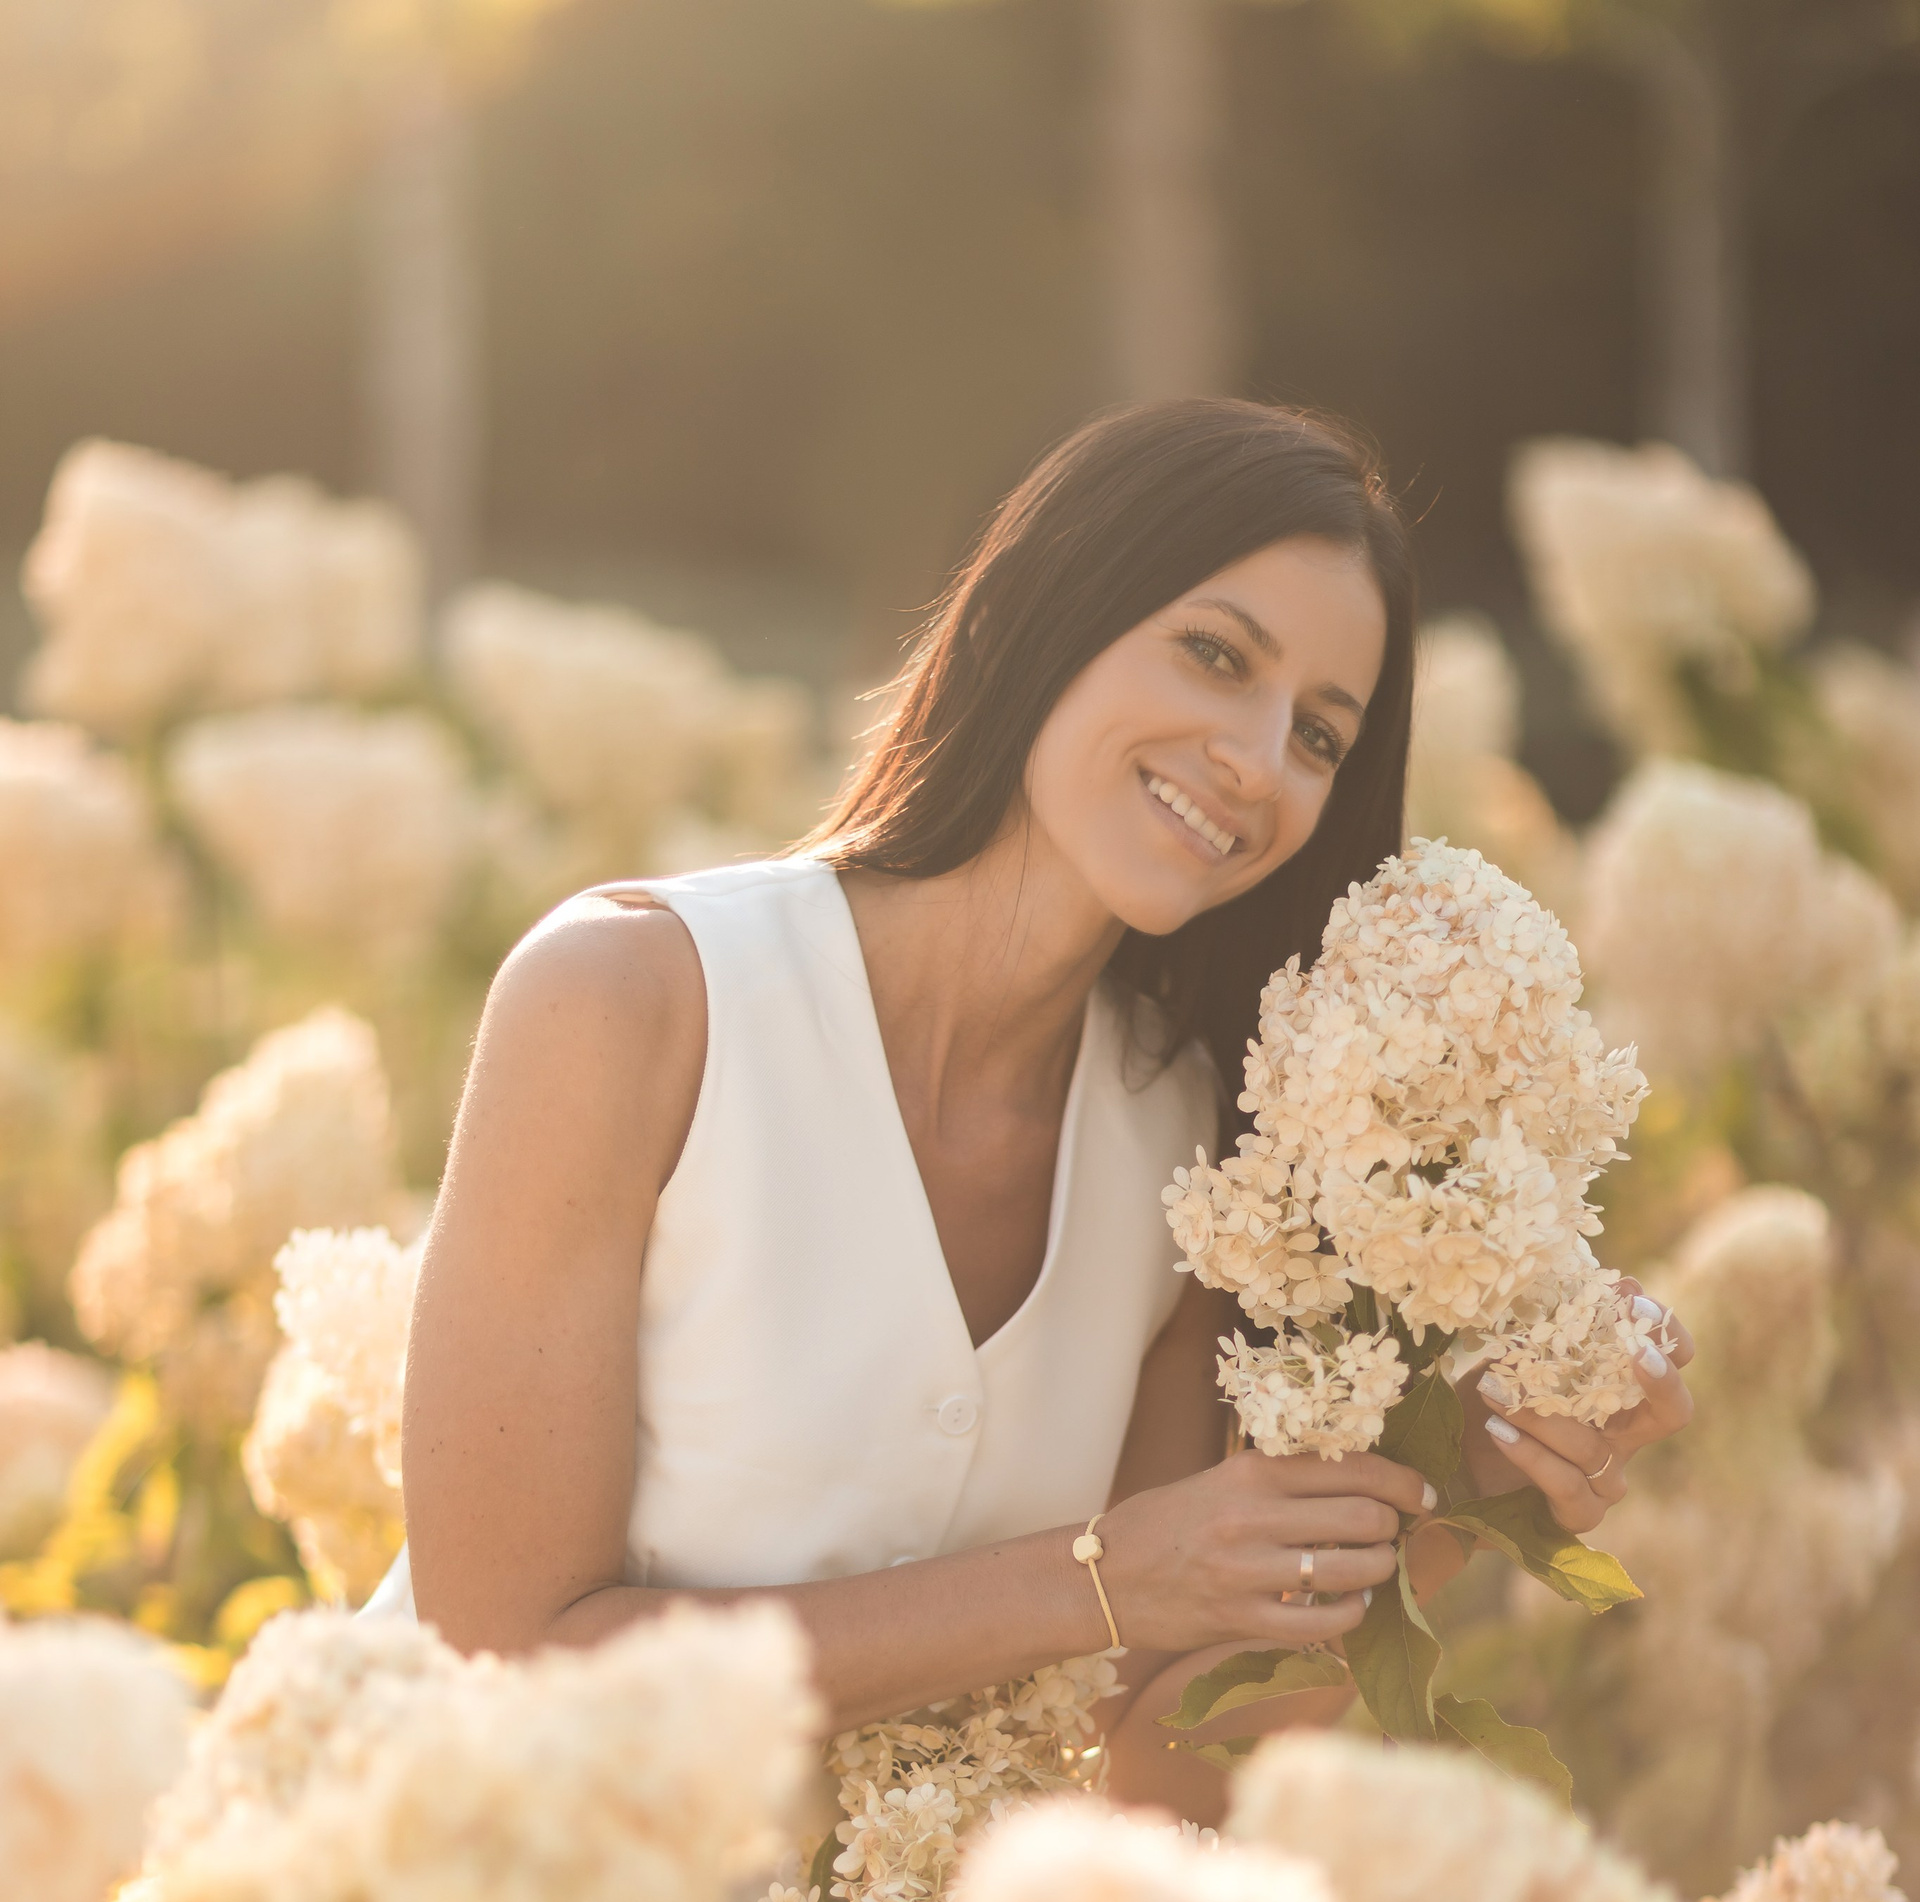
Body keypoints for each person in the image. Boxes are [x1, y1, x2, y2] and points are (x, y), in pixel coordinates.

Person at [374, 397, 1691, 1820]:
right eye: (1215, 654)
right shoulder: (629, 1000)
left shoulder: (1194, 1150)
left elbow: (1149, 1762)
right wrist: (1099, 1581)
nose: (1257, 761)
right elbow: (506, 1657)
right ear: (1044, 609)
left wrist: (1472, 1489)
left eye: (1319, 734)